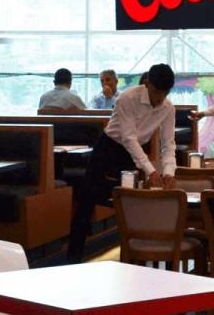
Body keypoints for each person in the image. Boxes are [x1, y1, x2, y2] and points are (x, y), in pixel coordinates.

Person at [66, 63, 178, 262]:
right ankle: (72, 260)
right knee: (86, 201)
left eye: (164, 94)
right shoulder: (128, 98)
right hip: (108, 148)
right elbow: (128, 138)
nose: (159, 99)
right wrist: (151, 171)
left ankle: (133, 257)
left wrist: (169, 172)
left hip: (131, 154)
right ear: (147, 84)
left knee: (129, 202)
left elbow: (168, 144)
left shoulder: (168, 108)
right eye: (156, 92)